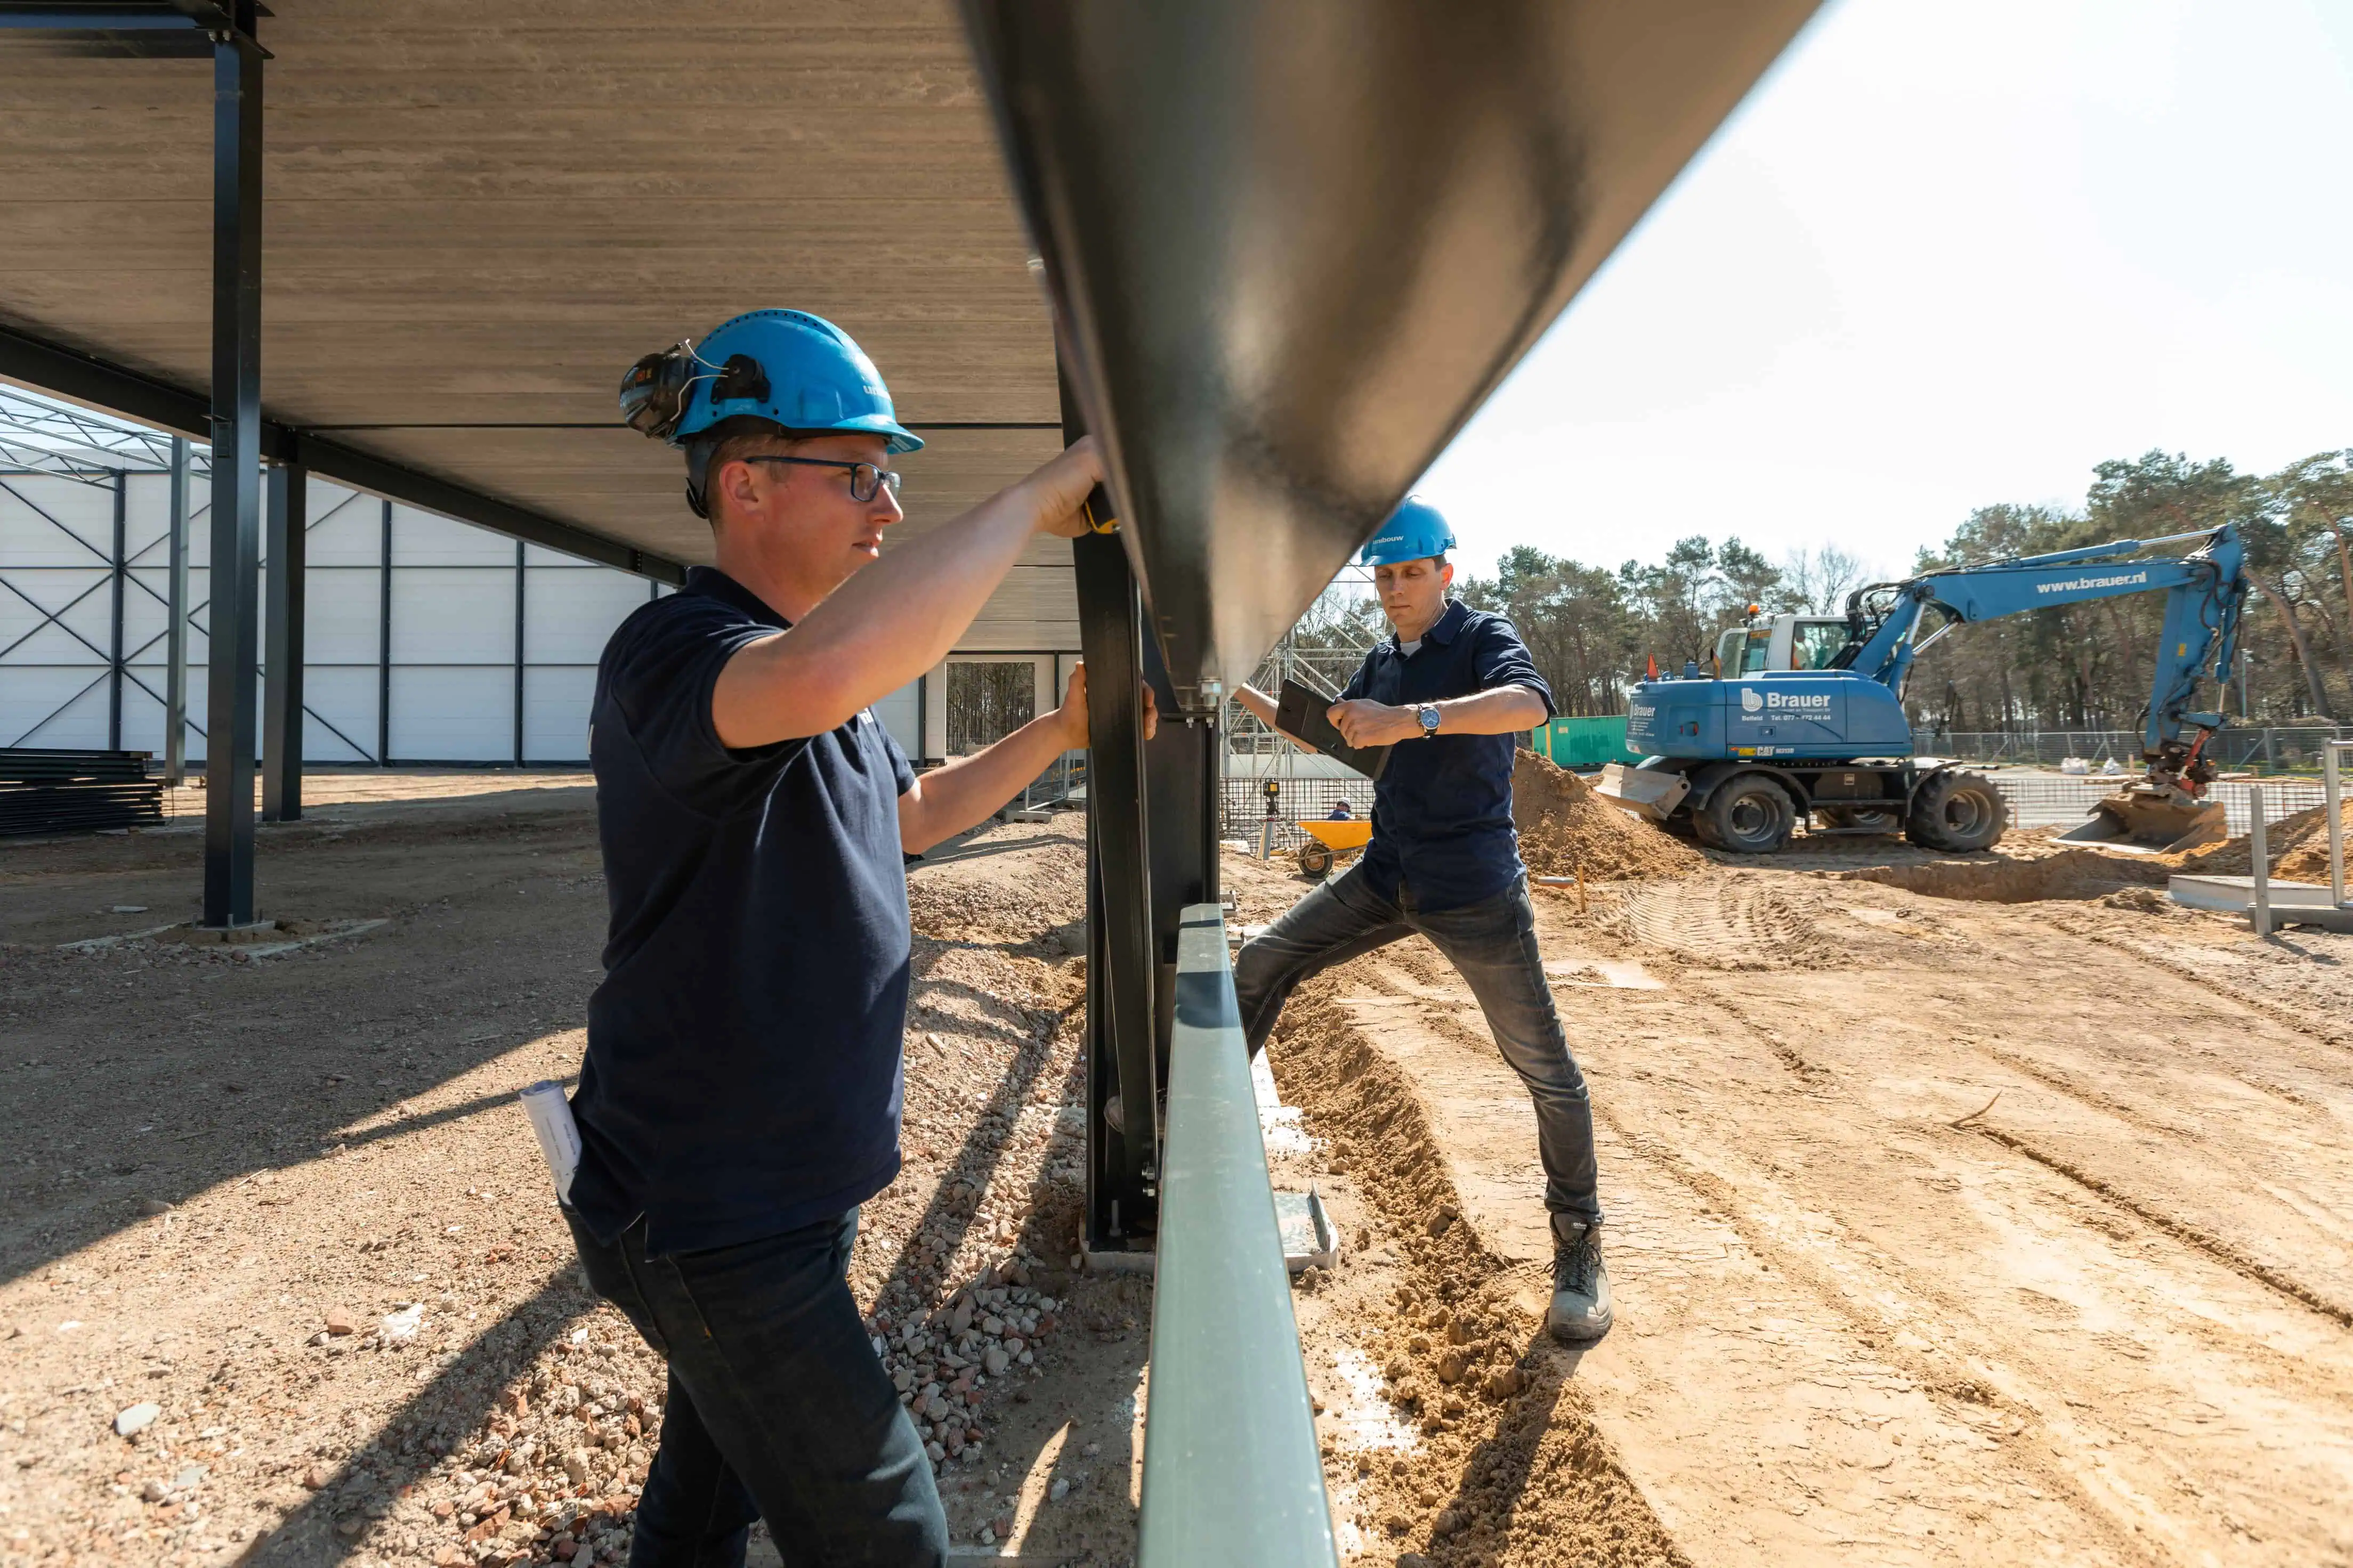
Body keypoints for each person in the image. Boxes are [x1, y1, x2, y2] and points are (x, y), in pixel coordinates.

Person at [563, 308, 1153, 1566]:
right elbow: (823, 674)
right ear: (745, 483)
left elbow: (914, 813)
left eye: (889, 478)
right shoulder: (676, 653)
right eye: (859, 475)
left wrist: (1058, 733)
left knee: (707, 1494)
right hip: (710, 1210)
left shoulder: (812, 683)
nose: (887, 507)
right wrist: (1038, 495)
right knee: (886, 1534)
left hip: (779, 1191)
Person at [1230, 497, 1612, 1343]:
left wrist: (1414, 719)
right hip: (1387, 873)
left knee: (1547, 1072)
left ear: (1445, 573)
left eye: (1412, 573)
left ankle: (1579, 1247)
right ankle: (1191, 1134)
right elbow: (1332, 737)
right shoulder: (1380, 661)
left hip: (1474, 889)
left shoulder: (1480, 638)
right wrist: (1233, 687)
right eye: (1385, 577)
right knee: (1260, 961)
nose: (1397, 589)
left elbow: (1528, 705)